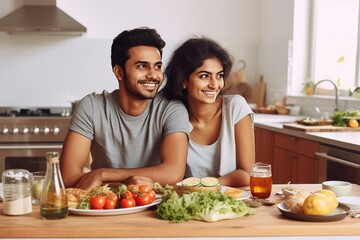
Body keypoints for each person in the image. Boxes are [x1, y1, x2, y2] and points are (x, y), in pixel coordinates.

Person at [60, 27, 189, 191]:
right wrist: (123, 184)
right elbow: (68, 177)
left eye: (157, 66)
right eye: (142, 66)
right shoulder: (91, 106)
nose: (154, 75)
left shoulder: (171, 108)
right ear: (119, 72)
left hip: (156, 204)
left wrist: (101, 175)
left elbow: (173, 173)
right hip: (105, 205)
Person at [161, 37, 255, 187]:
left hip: (229, 201)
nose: (214, 85)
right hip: (187, 203)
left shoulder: (236, 107)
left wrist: (205, 187)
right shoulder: (171, 116)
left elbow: (247, 174)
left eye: (219, 76)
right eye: (204, 76)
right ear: (183, 80)